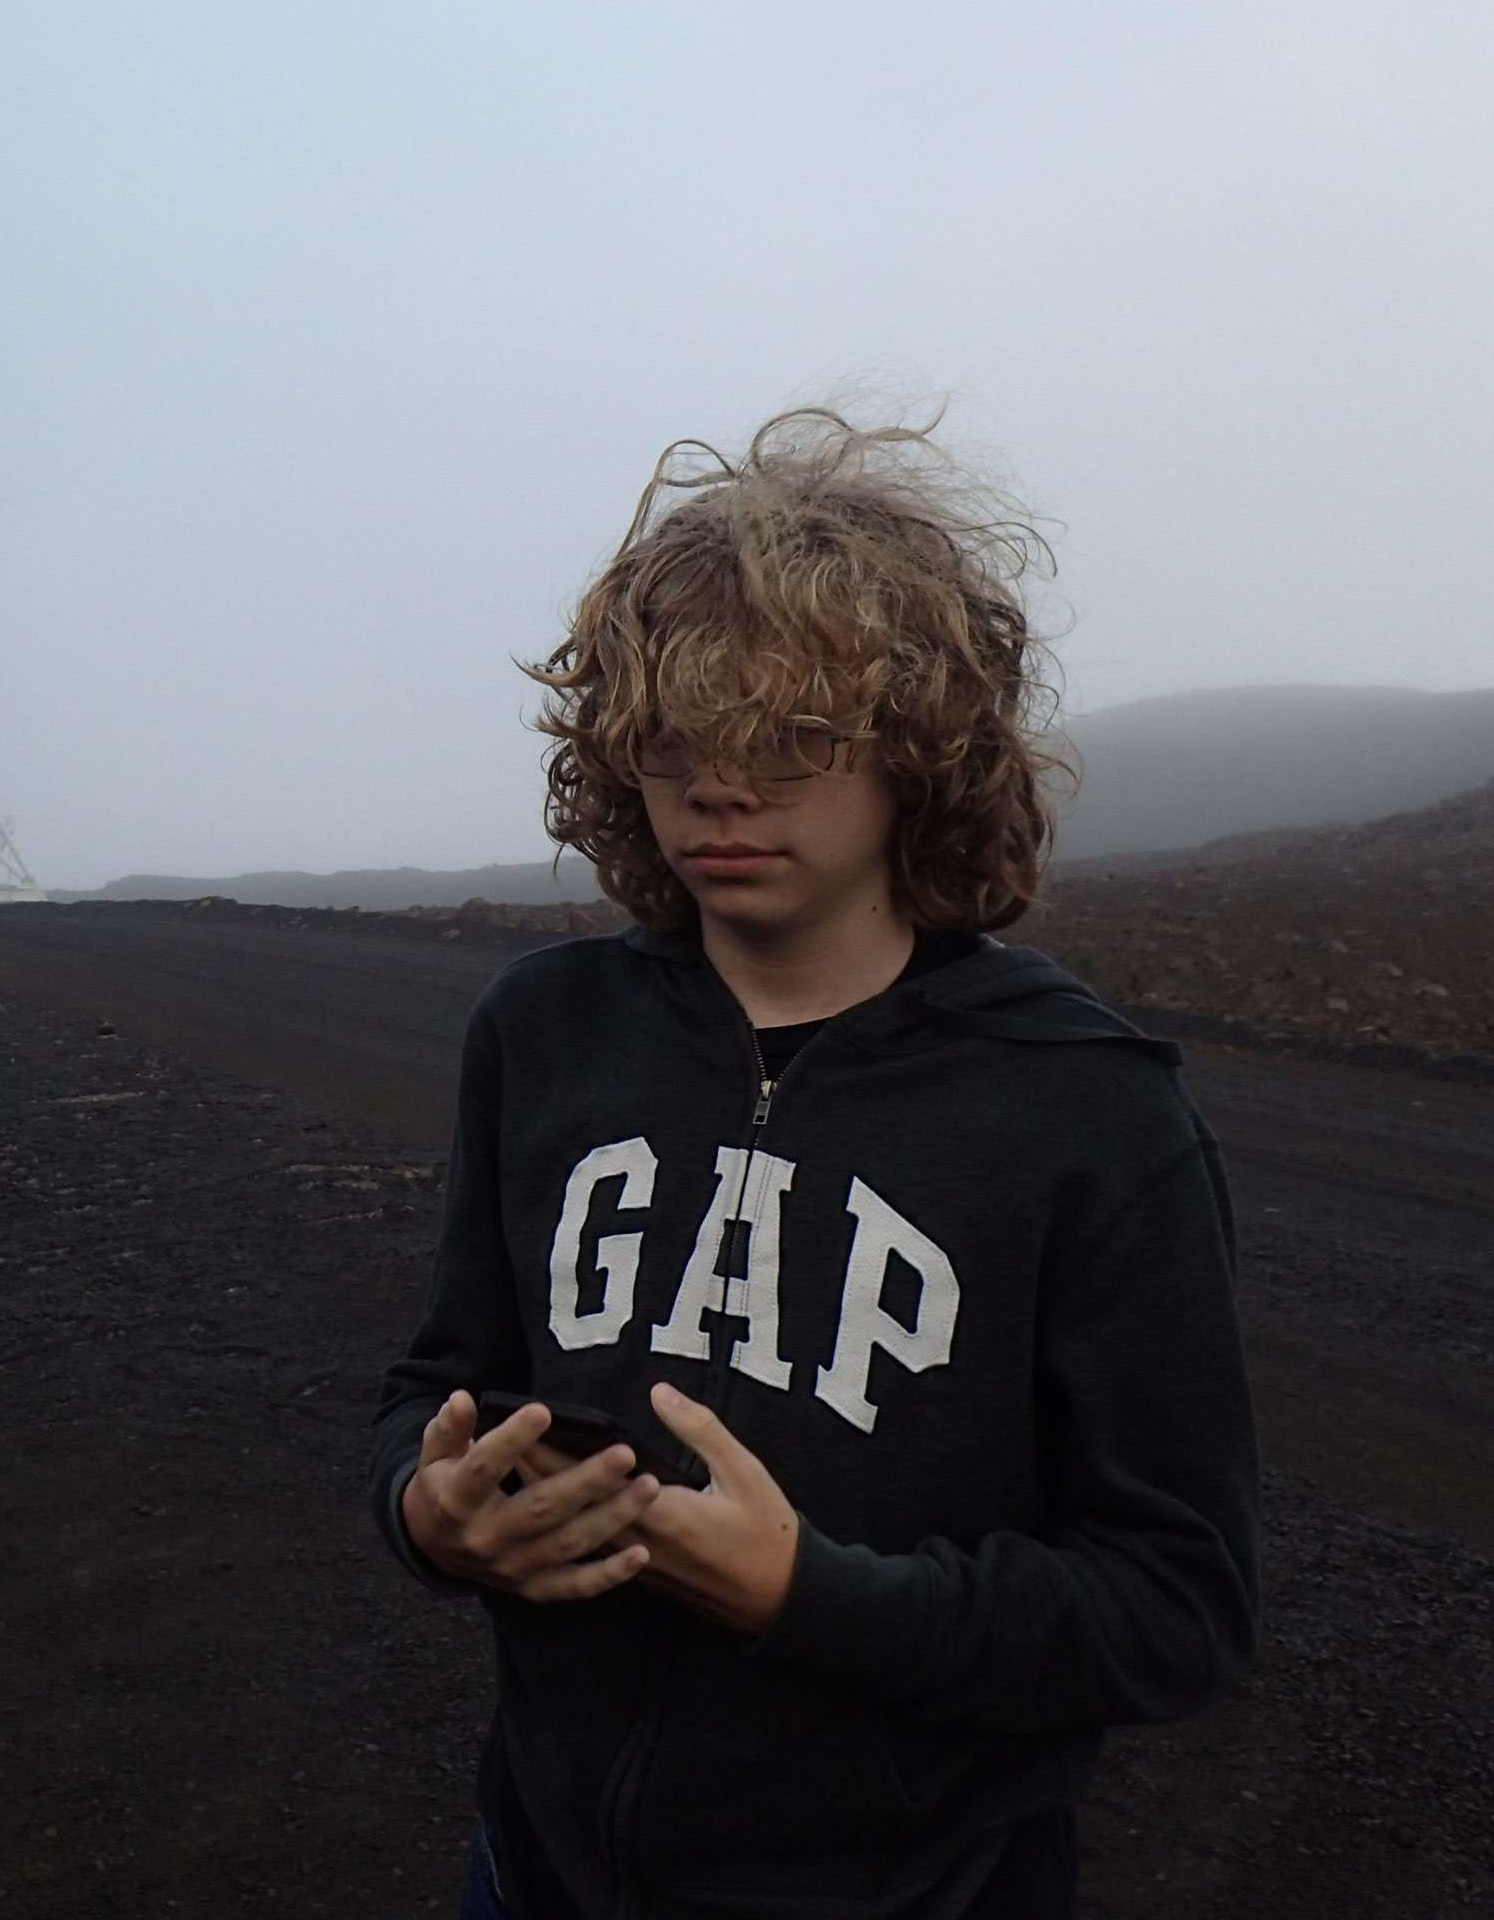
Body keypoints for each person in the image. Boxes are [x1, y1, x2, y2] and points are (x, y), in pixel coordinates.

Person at [369, 409, 1259, 1920]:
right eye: (674, 735)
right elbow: (440, 1383)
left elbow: (1179, 1601)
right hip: (536, 1873)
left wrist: (809, 1596)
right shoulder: (543, 1030)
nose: (720, 787)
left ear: (923, 747)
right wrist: (426, 1509)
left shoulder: (1089, 1107)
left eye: (792, 735)